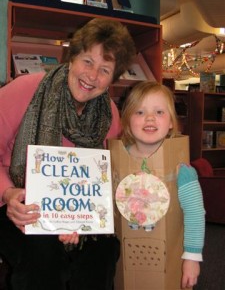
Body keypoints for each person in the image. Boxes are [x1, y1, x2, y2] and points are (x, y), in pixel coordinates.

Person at [0, 17, 136, 290]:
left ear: (112, 78)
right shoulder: (25, 90)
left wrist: (82, 220)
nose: (92, 76)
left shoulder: (109, 114)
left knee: (104, 249)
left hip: (76, 216)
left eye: (104, 69)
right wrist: (8, 194)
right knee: (42, 253)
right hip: (16, 208)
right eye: (87, 61)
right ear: (72, 57)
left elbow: (103, 178)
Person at [120, 81, 205, 289]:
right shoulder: (116, 162)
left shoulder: (182, 170)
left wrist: (192, 257)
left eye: (159, 112)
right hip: (125, 255)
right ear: (128, 121)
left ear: (170, 123)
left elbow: (195, 214)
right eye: (139, 112)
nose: (149, 118)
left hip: (169, 256)